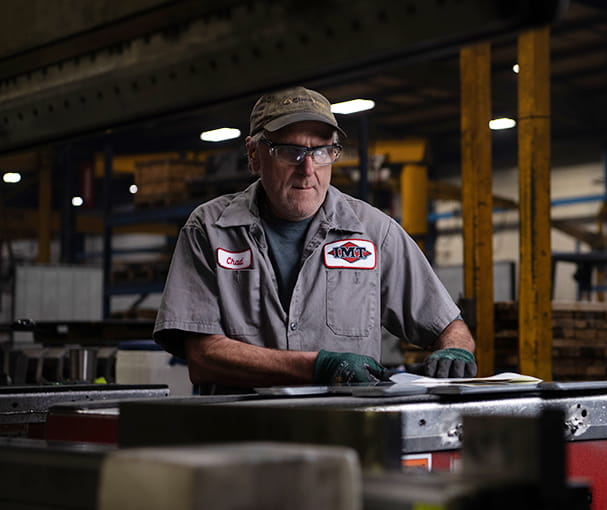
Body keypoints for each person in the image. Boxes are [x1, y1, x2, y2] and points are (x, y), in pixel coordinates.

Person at [153, 86, 476, 391]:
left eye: (322, 151)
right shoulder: (209, 230)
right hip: (243, 439)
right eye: (290, 151)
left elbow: (449, 327)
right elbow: (203, 357)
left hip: (344, 436)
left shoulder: (376, 234)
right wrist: (317, 368)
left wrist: (456, 352)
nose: (308, 169)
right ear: (254, 154)